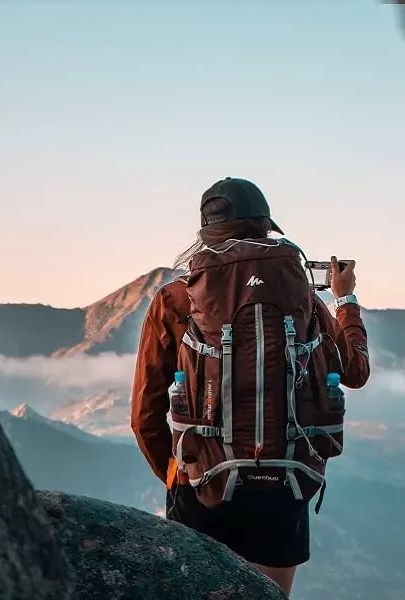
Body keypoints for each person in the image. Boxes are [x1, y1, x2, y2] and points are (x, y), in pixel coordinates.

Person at [130, 177, 370, 597]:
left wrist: (178, 474)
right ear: (264, 226)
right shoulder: (303, 300)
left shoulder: (177, 299)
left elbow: (144, 414)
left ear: (206, 231)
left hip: (201, 487)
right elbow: (355, 371)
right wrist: (345, 300)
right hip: (284, 487)